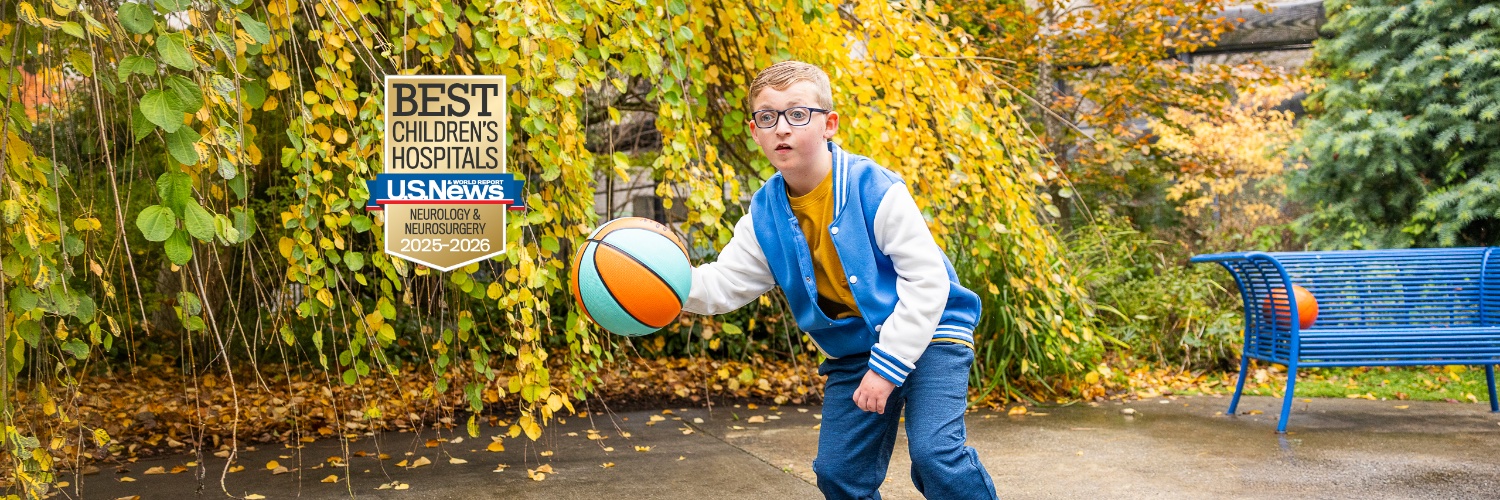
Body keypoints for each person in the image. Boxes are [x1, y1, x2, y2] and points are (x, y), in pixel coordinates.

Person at [682, 60, 998, 499]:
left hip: (931, 332)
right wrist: (664, 287)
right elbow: (724, 283)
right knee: (838, 473)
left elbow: (927, 282)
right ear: (754, 132)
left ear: (829, 124)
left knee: (935, 455)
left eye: (797, 114)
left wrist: (888, 366)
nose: (781, 128)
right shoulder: (764, 214)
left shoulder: (875, 189)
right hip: (854, 349)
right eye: (767, 117)